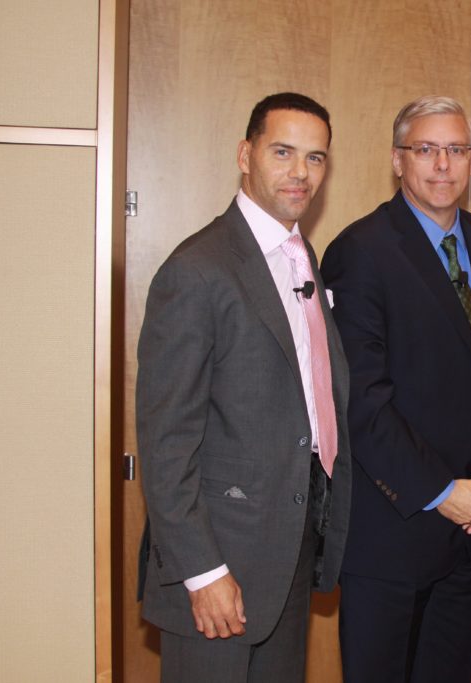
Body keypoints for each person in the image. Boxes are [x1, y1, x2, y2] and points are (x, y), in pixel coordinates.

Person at [136, 92, 352, 682]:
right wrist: (201, 573)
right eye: (283, 152)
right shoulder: (197, 268)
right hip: (218, 564)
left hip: (287, 553)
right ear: (245, 154)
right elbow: (165, 443)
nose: (300, 173)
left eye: (315, 158)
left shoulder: (300, 254)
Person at [320, 95, 471, 683]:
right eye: (426, 149)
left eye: (457, 150)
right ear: (397, 159)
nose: (443, 165)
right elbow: (362, 399)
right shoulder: (360, 251)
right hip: (394, 530)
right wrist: (440, 490)